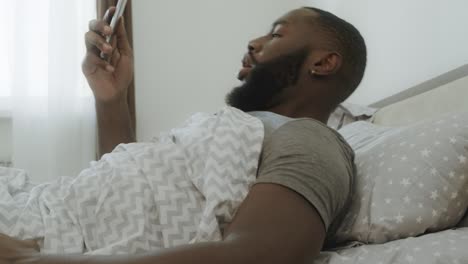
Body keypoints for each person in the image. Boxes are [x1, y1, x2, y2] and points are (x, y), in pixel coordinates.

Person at [0, 6, 366, 264]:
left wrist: (30, 261)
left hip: (33, 237)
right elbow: (131, 195)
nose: (253, 42)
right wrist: (111, 98)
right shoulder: (235, 130)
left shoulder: (311, 141)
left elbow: (260, 254)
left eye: (275, 34)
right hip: (33, 205)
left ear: (323, 63)